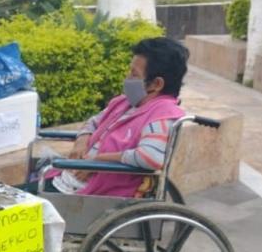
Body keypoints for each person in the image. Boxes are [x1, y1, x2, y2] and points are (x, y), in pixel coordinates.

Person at [29, 37, 189, 198]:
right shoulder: (125, 102)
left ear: (156, 84)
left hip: (90, 194)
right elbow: (93, 122)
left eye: (134, 74)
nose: (127, 78)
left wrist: (99, 161)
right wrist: (82, 140)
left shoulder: (163, 114)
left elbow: (150, 157)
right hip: (66, 180)